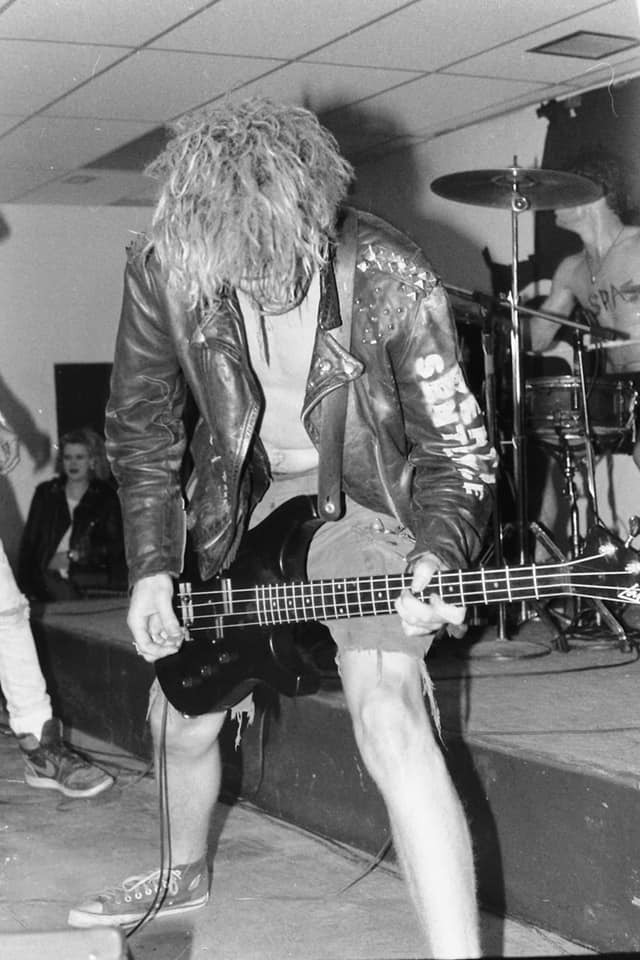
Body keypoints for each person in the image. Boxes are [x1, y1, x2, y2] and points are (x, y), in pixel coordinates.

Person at [68, 98, 496, 957]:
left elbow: (457, 447)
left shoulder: (387, 271)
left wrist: (438, 553)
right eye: (241, 267)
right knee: (180, 717)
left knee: (389, 714)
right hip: (242, 498)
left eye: (278, 258)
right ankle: (182, 874)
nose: (263, 284)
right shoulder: (165, 264)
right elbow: (142, 425)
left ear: (315, 214)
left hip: (365, 498)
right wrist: (152, 565)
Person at [528, 152, 640, 541]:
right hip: (614, 388)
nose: (552, 205)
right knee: (557, 455)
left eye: (562, 193)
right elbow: (538, 338)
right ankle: (545, 567)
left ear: (592, 195)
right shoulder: (571, 269)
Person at [0, 413, 113, 797]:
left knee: (8, 613)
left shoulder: (101, 497)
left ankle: (40, 748)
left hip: (84, 583)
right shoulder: (49, 493)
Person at [18, 427, 126, 601]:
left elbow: (116, 546)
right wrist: (23, 590)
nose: (73, 464)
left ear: (93, 461)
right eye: (68, 457)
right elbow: (29, 545)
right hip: (46, 580)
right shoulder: (46, 493)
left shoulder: (107, 497)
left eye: (79, 457)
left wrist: (76, 556)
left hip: (89, 580)